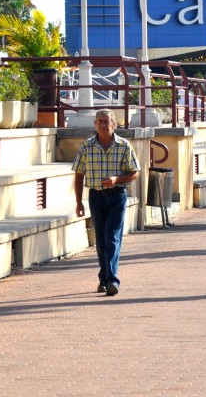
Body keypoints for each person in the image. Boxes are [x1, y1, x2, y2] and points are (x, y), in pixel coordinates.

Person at [72, 109, 140, 296]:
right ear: (95, 124)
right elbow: (79, 175)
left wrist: (116, 179)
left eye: (106, 121)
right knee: (101, 241)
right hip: (96, 197)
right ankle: (103, 279)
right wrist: (79, 202)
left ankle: (112, 281)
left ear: (113, 125)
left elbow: (134, 172)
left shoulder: (123, 146)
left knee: (112, 237)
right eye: (99, 121)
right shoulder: (87, 147)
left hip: (117, 196)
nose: (102, 125)